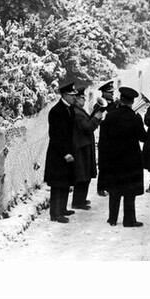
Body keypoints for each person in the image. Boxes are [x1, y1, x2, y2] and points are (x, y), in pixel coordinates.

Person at [97, 86, 148, 227]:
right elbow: (143, 138)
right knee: (129, 191)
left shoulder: (110, 116)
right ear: (132, 102)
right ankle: (129, 220)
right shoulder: (135, 118)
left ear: (121, 100)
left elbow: (104, 138)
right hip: (131, 159)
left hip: (114, 159)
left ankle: (112, 219)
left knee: (114, 189)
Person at [44, 81, 79, 222]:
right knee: (57, 184)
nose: (74, 98)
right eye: (71, 95)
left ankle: (62, 208)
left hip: (67, 152)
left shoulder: (69, 109)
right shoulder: (56, 111)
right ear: (64, 95)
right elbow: (56, 135)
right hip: (58, 154)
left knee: (65, 182)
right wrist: (65, 153)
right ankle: (55, 214)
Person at [70, 82, 101, 210]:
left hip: (84, 146)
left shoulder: (79, 111)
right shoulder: (77, 112)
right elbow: (87, 127)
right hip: (81, 147)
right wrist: (96, 119)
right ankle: (78, 201)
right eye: (83, 98)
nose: (84, 100)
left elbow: (87, 122)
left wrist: (94, 115)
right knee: (82, 176)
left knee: (85, 175)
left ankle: (81, 199)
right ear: (77, 99)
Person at [92, 80, 118, 197]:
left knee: (113, 163)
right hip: (105, 137)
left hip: (115, 137)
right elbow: (94, 118)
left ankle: (111, 186)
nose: (112, 94)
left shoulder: (115, 104)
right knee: (103, 164)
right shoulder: (99, 105)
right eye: (109, 92)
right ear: (103, 93)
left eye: (112, 92)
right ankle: (101, 187)